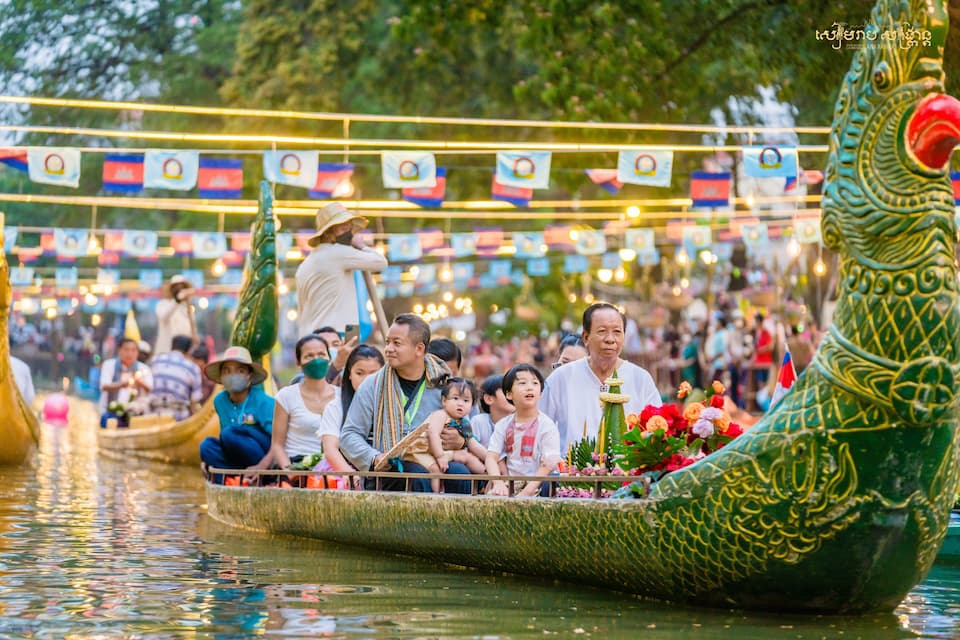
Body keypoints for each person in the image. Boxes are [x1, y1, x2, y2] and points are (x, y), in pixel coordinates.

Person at [340, 313, 473, 493]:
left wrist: (461, 438)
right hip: (392, 469)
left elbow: (470, 424)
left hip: (437, 457)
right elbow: (349, 435)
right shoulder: (373, 384)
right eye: (387, 342)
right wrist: (375, 457)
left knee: (461, 475)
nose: (388, 349)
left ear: (419, 348)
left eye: (396, 343)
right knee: (416, 477)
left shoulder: (445, 382)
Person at [541, 302, 661, 452]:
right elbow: (540, 429)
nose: (610, 339)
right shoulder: (561, 378)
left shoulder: (641, 379)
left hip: (627, 473)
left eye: (617, 332)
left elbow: (658, 428)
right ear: (585, 337)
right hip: (570, 473)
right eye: (602, 331)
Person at [295, 202, 387, 336]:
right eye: (343, 229)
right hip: (337, 334)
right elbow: (381, 262)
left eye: (349, 227)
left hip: (310, 337)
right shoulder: (338, 253)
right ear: (328, 233)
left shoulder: (305, 264)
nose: (349, 232)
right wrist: (361, 246)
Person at [249, 335, 336, 474]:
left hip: (332, 467)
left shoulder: (341, 396)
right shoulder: (286, 396)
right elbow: (277, 445)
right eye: (309, 356)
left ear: (329, 358)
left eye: (321, 354)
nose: (316, 360)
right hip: (296, 465)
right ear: (298, 362)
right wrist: (291, 472)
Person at [398, 377, 488, 493]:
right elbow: (433, 434)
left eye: (466, 401)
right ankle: (436, 497)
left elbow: (473, 444)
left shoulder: (463, 423)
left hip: (436, 452)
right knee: (436, 469)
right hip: (420, 451)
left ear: (472, 405)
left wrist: (490, 458)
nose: (460, 403)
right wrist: (440, 456)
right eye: (455, 398)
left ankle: (488, 475)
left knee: (468, 457)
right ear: (444, 401)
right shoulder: (440, 415)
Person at [485, 364, 562, 497]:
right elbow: (491, 457)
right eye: (522, 383)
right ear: (509, 394)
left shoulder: (547, 425)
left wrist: (526, 493)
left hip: (538, 485)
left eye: (535, 383)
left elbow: (548, 464)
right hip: (510, 485)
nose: (529, 387)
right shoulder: (503, 425)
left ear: (541, 393)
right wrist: (498, 484)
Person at [199, 346, 275, 481]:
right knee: (206, 445)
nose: (232, 375)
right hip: (235, 455)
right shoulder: (220, 400)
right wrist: (207, 460)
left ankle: (261, 477)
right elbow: (226, 441)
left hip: (263, 456)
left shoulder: (264, 401)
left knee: (229, 434)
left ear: (249, 376)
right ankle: (230, 481)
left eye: (240, 371)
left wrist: (262, 465)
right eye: (227, 371)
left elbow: (278, 442)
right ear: (222, 377)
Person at [316, 344, 385, 472]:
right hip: (344, 474)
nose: (366, 380)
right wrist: (350, 475)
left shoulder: (391, 404)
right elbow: (331, 449)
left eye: (373, 374)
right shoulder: (335, 406)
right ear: (349, 374)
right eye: (359, 373)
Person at [99, 337, 154, 427]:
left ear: (137, 353)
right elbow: (104, 386)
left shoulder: (143, 368)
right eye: (126, 350)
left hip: (136, 414)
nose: (130, 354)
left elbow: (150, 388)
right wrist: (122, 384)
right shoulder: (109, 365)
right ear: (119, 350)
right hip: (111, 413)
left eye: (133, 350)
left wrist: (139, 382)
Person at [147, 334, 203, 420]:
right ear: (189, 350)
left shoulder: (155, 360)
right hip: (179, 418)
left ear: (172, 347)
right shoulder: (193, 368)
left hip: (152, 416)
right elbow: (194, 402)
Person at [469, 374, 514, 447]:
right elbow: (471, 449)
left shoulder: (520, 424)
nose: (511, 396)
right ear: (488, 399)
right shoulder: (479, 421)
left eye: (512, 392)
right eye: (505, 392)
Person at [155, 275, 196, 355]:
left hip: (184, 352)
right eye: (176, 287)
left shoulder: (187, 307)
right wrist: (177, 300)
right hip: (166, 351)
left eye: (182, 287)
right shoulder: (163, 304)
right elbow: (164, 316)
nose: (179, 289)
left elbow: (191, 329)